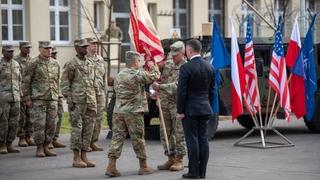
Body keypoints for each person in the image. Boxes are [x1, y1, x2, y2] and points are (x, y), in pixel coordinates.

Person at [105, 51, 160, 177]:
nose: (140, 63)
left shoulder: (119, 75)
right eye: (139, 61)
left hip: (118, 111)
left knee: (117, 138)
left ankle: (111, 166)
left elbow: (129, 92)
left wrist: (148, 96)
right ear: (135, 62)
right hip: (133, 113)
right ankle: (143, 166)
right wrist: (152, 66)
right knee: (138, 139)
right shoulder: (137, 74)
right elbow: (155, 76)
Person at [176, 39, 215, 179]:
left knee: (192, 140)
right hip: (205, 108)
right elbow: (212, 91)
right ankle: (202, 172)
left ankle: (193, 172)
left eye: (186, 49)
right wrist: (207, 105)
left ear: (190, 50)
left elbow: (182, 92)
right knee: (203, 139)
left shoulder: (186, 68)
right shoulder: (210, 67)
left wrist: (180, 111)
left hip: (190, 110)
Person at [61, 39, 97, 168]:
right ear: (76, 49)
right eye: (82, 47)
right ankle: (76, 158)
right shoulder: (71, 64)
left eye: (86, 46)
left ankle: (84, 156)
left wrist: (95, 97)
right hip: (77, 101)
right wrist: (69, 100)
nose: (85, 49)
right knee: (77, 129)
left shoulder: (90, 63)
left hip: (90, 100)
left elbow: (93, 82)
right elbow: (65, 84)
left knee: (88, 129)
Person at [152, 41, 187, 171]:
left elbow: (178, 87)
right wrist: (156, 88)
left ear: (183, 53)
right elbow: (161, 78)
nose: (173, 57)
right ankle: (170, 158)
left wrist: (160, 87)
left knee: (179, 133)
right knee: (165, 133)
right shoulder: (168, 64)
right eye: (172, 54)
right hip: (165, 104)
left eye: (176, 55)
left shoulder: (186, 67)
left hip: (178, 105)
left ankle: (179, 160)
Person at [23, 41, 60, 158]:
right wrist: (27, 98)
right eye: (45, 48)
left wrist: (58, 96)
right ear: (40, 49)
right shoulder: (33, 63)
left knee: (51, 124)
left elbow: (57, 81)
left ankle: (46, 146)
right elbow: (26, 81)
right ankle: (39, 148)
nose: (49, 50)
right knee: (39, 124)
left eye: (50, 48)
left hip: (52, 98)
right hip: (38, 98)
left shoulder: (55, 63)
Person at [86, 37, 107, 151]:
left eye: (96, 44)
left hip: (99, 93)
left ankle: (94, 141)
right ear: (87, 46)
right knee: (89, 118)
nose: (96, 46)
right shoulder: (83, 59)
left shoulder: (100, 59)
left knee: (98, 118)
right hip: (88, 94)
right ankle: (86, 142)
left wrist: (104, 90)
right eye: (93, 44)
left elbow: (103, 77)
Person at [0, 45, 21, 154]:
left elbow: (19, 81)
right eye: (8, 51)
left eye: (12, 51)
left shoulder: (16, 64)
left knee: (14, 122)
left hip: (16, 97)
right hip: (3, 98)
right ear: (3, 52)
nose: (11, 53)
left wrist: (20, 95)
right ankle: (2, 144)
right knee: (3, 121)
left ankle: (9, 144)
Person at [14, 41, 35, 147]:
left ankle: (29, 136)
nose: (28, 50)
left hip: (31, 92)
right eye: (26, 48)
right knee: (21, 116)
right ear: (20, 48)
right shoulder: (15, 61)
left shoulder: (32, 60)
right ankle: (21, 137)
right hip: (21, 92)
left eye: (29, 48)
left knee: (30, 115)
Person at [48, 47, 66, 148]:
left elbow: (60, 80)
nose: (55, 55)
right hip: (49, 96)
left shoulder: (57, 64)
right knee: (50, 119)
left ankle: (55, 138)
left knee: (59, 116)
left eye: (55, 53)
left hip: (58, 95)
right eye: (53, 53)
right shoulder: (46, 65)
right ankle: (48, 140)